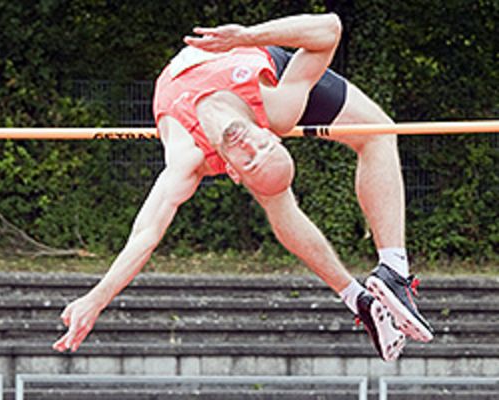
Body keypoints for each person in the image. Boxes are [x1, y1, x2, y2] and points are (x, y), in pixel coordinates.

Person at [53, 12, 431, 361]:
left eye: (249, 158)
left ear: (233, 172)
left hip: (227, 75)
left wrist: (95, 299)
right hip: (258, 64)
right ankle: (375, 284)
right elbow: (330, 28)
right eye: (259, 148)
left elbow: (145, 234)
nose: (249, 146)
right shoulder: (279, 108)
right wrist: (247, 36)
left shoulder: (188, 152)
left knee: (358, 147)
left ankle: (377, 284)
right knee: (371, 136)